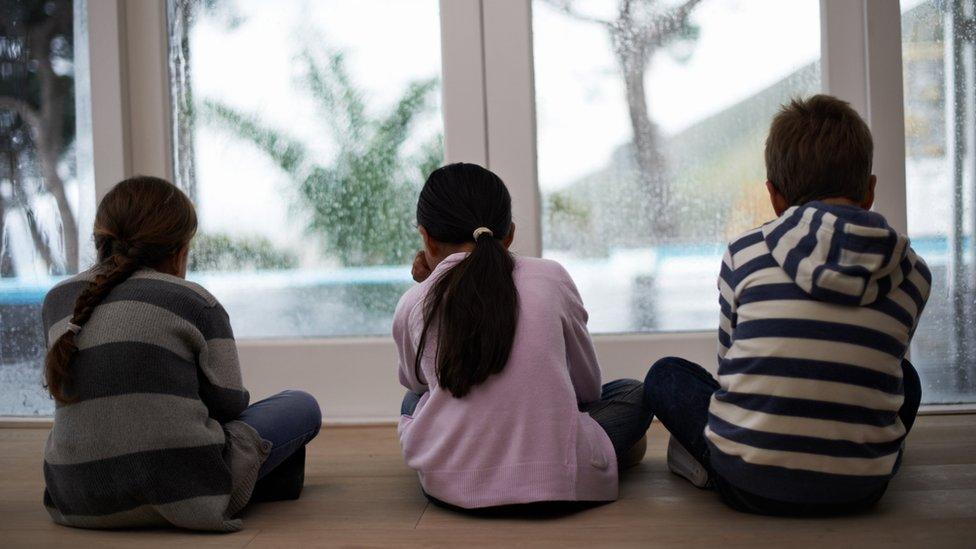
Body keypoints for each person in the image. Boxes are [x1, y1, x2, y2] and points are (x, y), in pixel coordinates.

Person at [644, 95, 932, 515]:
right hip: (862, 490)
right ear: (870, 190)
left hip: (746, 483)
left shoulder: (744, 254)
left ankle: (705, 463)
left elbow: (729, 371)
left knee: (664, 375)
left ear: (774, 196)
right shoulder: (914, 272)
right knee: (906, 377)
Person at [41, 176, 321, 531]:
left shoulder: (57, 300)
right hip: (189, 493)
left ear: (101, 240)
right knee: (300, 405)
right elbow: (229, 404)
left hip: (73, 498)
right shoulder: (196, 302)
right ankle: (248, 483)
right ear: (180, 250)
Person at [394, 163, 653, 509]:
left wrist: (429, 286)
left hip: (452, 487)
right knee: (634, 393)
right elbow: (587, 389)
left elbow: (417, 380)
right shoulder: (550, 277)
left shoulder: (415, 301)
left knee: (414, 402)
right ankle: (605, 451)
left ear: (425, 236)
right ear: (510, 234)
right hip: (559, 481)